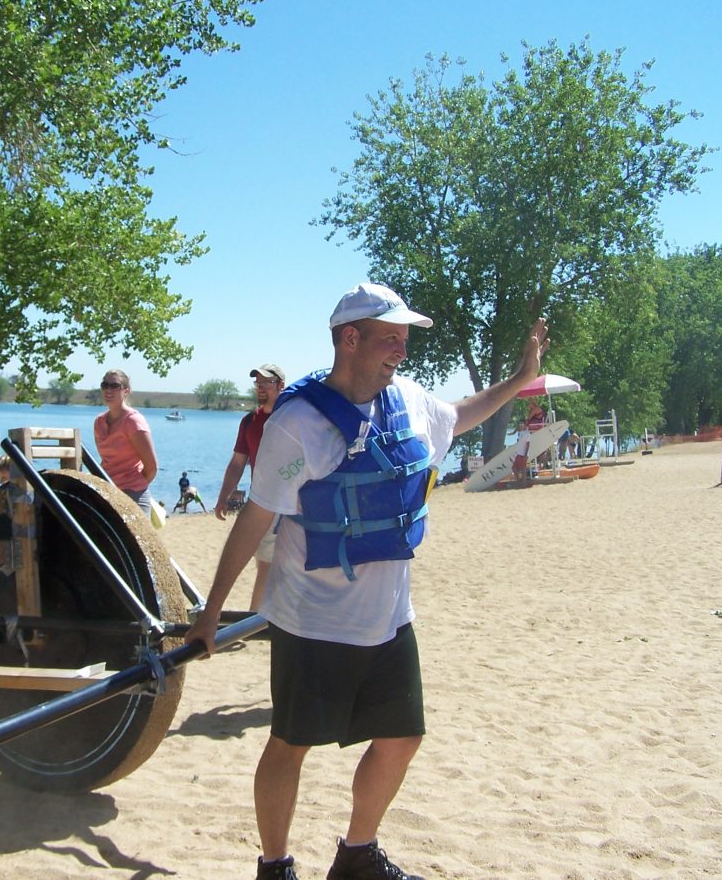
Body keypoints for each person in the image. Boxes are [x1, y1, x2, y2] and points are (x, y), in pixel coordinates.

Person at [186, 282, 549, 880]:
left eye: (405, 339)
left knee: (402, 738)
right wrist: (210, 613)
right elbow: (255, 518)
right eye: (390, 338)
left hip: (389, 620)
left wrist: (520, 378)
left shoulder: (407, 399)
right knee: (290, 744)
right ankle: (274, 866)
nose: (401, 350)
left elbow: (460, 416)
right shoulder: (298, 424)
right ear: (350, 339)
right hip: (312, 622)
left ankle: (356, 855)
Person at [213, 363, 287, 611]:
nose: (261, 387)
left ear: (281, 385)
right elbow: (237, 463)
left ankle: (255, 620)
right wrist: (223, 497)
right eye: (258, 383)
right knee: (264, 563)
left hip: (289, 502)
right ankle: (260, 617)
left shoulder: (291, 418)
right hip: (259, 501)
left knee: (269, 565)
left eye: (267, 382)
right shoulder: (249, 421)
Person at [93, 369, 159, 516]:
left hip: (133, 495)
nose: (108, 390)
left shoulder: (133, 421)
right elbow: (107, 460)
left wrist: (134, 484)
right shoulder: (99, 422)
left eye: (115, 386)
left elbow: (152, 468)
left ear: (126, 391)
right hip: (107, 490)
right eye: (105, 385)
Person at [512, 419, 531, 484]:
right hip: (519, 453)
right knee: (514, 468)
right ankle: (519, 482)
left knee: (523, 469)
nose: (520, 425)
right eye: (520, 424)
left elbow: (528, 444)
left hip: (523, 454)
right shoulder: (520, 432)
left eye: (522, 424)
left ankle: (523, 484)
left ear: (525, 425)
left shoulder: (527, 433)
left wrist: (526, 454)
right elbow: (517, 429)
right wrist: (512, 433)